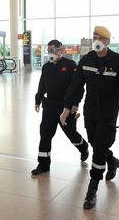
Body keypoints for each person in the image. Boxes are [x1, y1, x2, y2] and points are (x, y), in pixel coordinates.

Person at [60, 26, 119, 209]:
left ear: (107, 41)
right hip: (90, 110)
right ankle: (112, 161)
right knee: (95, 143)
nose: (96, 40)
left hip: (108, 111)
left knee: (98, 149)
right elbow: (75, 86)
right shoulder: (86, 60)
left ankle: (92, 189)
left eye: (100, 38)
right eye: (94, 37)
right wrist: (67, 107)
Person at [31, 39, 89, 175]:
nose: (51, 53)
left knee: (71, 133)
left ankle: (83, 147)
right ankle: (43, 164)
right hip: (50, 106)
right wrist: (38, 100)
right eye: (49, 51)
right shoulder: (46, 67)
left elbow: (79, 88)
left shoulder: (70, 66)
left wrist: (75, 104)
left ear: (61, 50)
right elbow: (42, 85)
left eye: (54, 50)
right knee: (45, 134)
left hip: (66, 107)